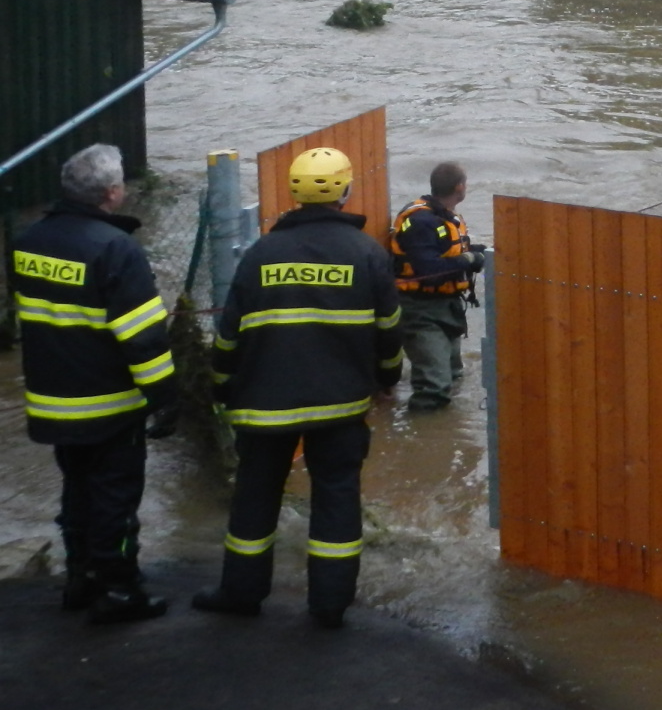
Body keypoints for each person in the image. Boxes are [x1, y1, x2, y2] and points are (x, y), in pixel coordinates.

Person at [192, 146, 402, 628]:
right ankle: (329, 605)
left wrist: (221, 388)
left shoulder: (260, 253)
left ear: (294, 193)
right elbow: (390, 332)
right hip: (340, 407)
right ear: (345, 191)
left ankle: (241, 593)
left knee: (255, 497)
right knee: (336, 498)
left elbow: (229, 336)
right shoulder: (367, 253)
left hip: (262, 406)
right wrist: (387, 380)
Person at [8, 144, 177, 623]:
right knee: (115, 501)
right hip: (108, 405)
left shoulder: (27, 242)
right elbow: (142, 339)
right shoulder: (116, 249)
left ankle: (79, 578)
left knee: (77, 491)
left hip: (52, 400)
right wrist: (166, 398)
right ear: (112, 193)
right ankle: (119, 590)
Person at [387, 162, 485, 412]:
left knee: (454, 374)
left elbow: (446, 252)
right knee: (435, 386)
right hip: (420, 310)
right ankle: (420, 429)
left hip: (447, 306)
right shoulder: (420, 221)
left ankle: (445, 427)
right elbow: (429, 272)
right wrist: (467, 260)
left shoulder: (445, 216)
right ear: (460, 187)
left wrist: (478, 253)